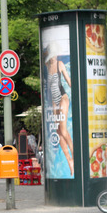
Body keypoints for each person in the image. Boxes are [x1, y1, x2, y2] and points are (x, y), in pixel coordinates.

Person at [44, 42, 74, 175]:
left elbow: (68, 81)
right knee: (58, 132)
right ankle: (69, 160)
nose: (53, 57)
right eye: (52, 55)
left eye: (55, 54)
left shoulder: (59, 64)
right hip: (54, 102)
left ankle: (75, 155)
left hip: (63, 97)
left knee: (63, 129)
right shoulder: (47, 65)